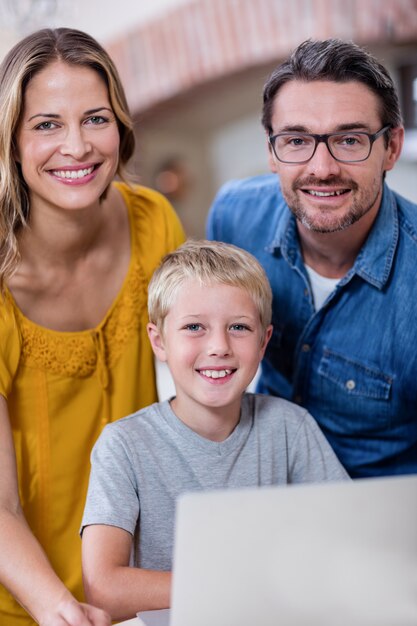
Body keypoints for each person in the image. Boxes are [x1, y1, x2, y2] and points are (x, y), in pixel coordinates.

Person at [0, 27, 185, 626]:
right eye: (47, 124)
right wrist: (60, 608)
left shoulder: (154, 222)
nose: (76, 147)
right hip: (25, 598)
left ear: (121, 126)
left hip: (135, 591)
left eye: (95, 119)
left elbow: (196, 404)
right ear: (11, 141)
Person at [80, 240, 348, 621]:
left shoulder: (290, 428)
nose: (219, 346)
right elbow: (104, 588)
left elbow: (347, 543)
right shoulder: (123, 445)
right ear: (159, 341)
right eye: (194, 327)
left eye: (239, 327)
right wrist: (235, 581)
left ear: (263, 341)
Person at [206, 38, 417, 479]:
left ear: (391, 148)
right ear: (270, 150)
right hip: (259, 481)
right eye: (297, 140)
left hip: (378, 509)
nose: (322, 167)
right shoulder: (234, 219)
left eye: (350, 139)